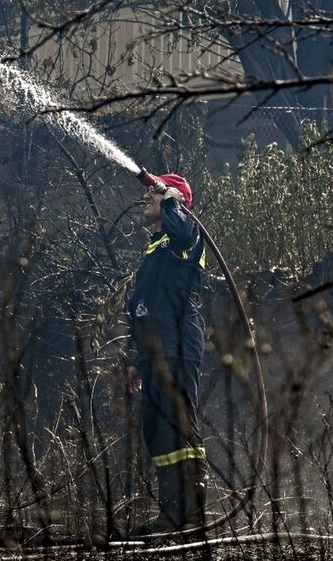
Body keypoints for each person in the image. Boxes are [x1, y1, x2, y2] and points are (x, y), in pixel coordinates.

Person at [124, 172, 208, 533]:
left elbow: (184, 231)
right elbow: (144, 305)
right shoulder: (157, 246)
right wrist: (135, 359)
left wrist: (173, 198)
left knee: (177, 426)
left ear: (175, 199)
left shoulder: (185, 236)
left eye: (154, 193)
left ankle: (188, 515)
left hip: (177, 344)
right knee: (157, 430)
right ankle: (170, 515)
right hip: (155, 351)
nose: (146, 198)